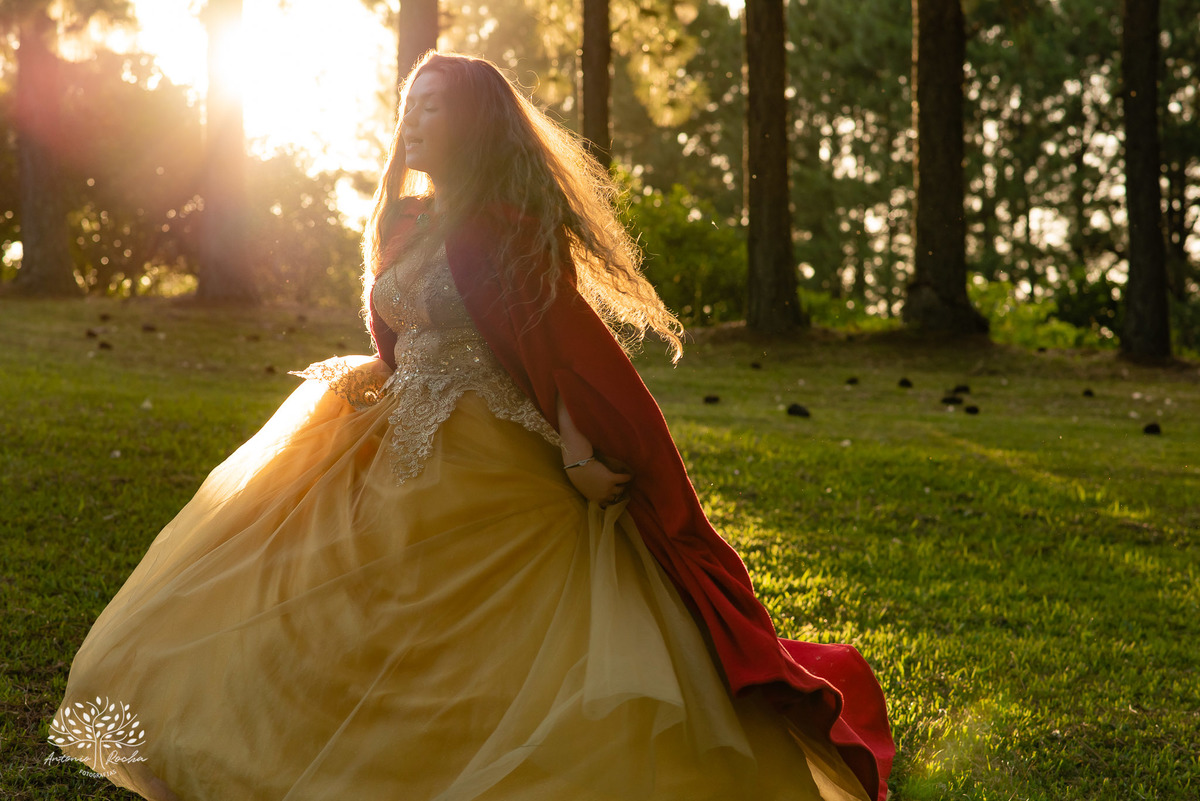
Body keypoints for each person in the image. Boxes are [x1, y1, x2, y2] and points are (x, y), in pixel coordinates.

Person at [49, 52, 893, 800]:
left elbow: (560, 347)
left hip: (487, 449)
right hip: (387, 435)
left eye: (434, 108)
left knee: (463, 633)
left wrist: (577, 453)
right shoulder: (408, 222)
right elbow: (403, 330)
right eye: (409, 107)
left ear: (477, 123)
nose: (413, 123)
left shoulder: (511, 229)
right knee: (306, 595)